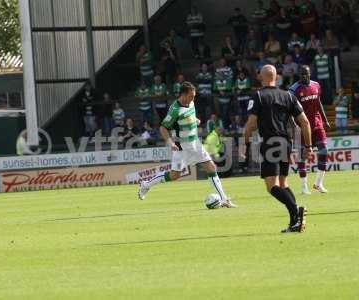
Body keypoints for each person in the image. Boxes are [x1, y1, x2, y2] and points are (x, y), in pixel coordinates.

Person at [138, 82, 237, 208]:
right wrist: (170, 142)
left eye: (194, 96)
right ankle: (146, 184)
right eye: (191, 96)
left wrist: (194, 120)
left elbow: (189, 115)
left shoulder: (191, 103)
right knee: (175, 175)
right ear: (183, 94)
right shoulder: (174, 110)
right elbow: (163, 128)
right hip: (182, 148)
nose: (193, 99)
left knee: (211, 167)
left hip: (195, 144)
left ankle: (224, 200)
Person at [244, 64, 311, 233]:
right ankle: (294, 223)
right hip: (285, 142)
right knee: (283, 183)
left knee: (271, 186)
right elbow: (304, 122)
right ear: (277, 77)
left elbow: (251, 124)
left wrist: (245, 142)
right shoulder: (288, 95)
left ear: (261, 76)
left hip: (270, 142)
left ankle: (297, 211)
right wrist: (308, 146)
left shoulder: (258, 96)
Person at [289, 65, 331, 194]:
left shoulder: (316, 85)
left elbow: (319, 103)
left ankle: (318, 183)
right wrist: (293, 125)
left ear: (310, 73)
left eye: (306, 74)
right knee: (303, 156)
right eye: (301, 74)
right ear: (298, 75)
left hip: (317, 123)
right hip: (302, 127)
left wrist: (325, 120)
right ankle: (304, 187)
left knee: (324, 150)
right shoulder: (293, 90)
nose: (304, 76)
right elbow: (289, 110)